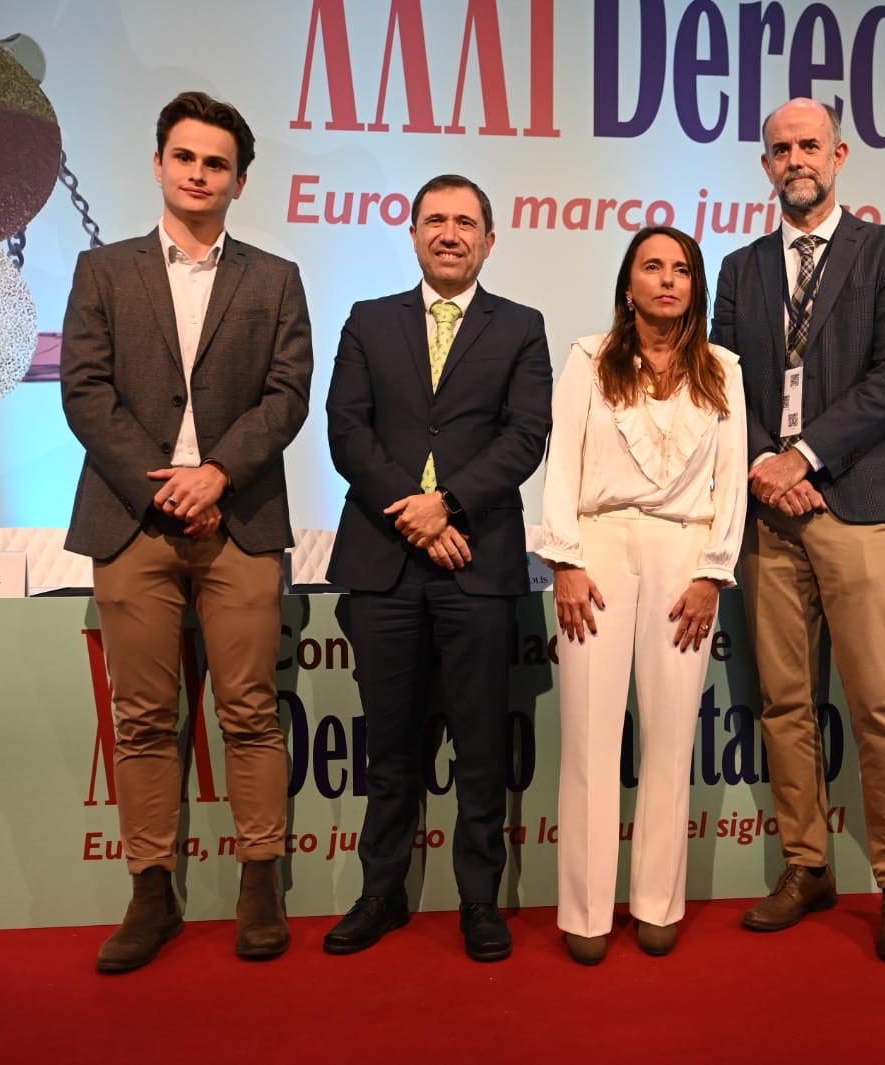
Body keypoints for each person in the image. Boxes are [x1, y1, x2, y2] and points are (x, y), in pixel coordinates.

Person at [61, 91, 313, 972]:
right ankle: (151, 892)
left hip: (240, 520)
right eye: (185, 157)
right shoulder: (103, 269)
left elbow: (287, 394)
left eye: (216, 163)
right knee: (140, 719)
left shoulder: (275, 277)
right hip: (131, 519)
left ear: (240, 181)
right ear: (158, 163)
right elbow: (85, 391)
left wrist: (218, 474)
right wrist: (168, 486)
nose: (199, 174)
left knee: (250, 711)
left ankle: (259, 884)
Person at [710, 99, 885, 962]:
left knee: (880, 704)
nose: (795, 158)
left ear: (839, 156)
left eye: (810, 144)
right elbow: (722, 381)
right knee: (785, 704)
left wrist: (803, 457)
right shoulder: (740, 268)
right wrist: (767, 462)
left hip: (856, 502)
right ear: (765, 165)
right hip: (769, 512)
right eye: (781, 148)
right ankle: (807, 866)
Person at [323, 174, 551, 962]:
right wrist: (416, 514)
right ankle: (381, 892)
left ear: (490, 238)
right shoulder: (368, 319)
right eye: (435, 220)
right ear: (413, 231)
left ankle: (479, 901)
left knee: (481, 747)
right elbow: (346, 430)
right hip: (384, 561)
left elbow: (525, 436)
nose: (449, 234)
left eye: (465, 222)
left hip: (478, 562)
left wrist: (448, 503)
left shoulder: (520, 326)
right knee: (389, 747)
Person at [538, 226, 748, 965]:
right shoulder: (588, 358)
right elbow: (561, 466)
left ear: (695, 285)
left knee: (670, 735)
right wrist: (564, 560)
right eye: (651, 267)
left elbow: (732, 480)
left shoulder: (724, 369)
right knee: (589, 739)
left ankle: (659, 901)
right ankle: (585, 909)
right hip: (596, 551)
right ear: (628, 284)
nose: (666, 279)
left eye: (680, 269)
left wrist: (713, 572)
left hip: (684, 557)